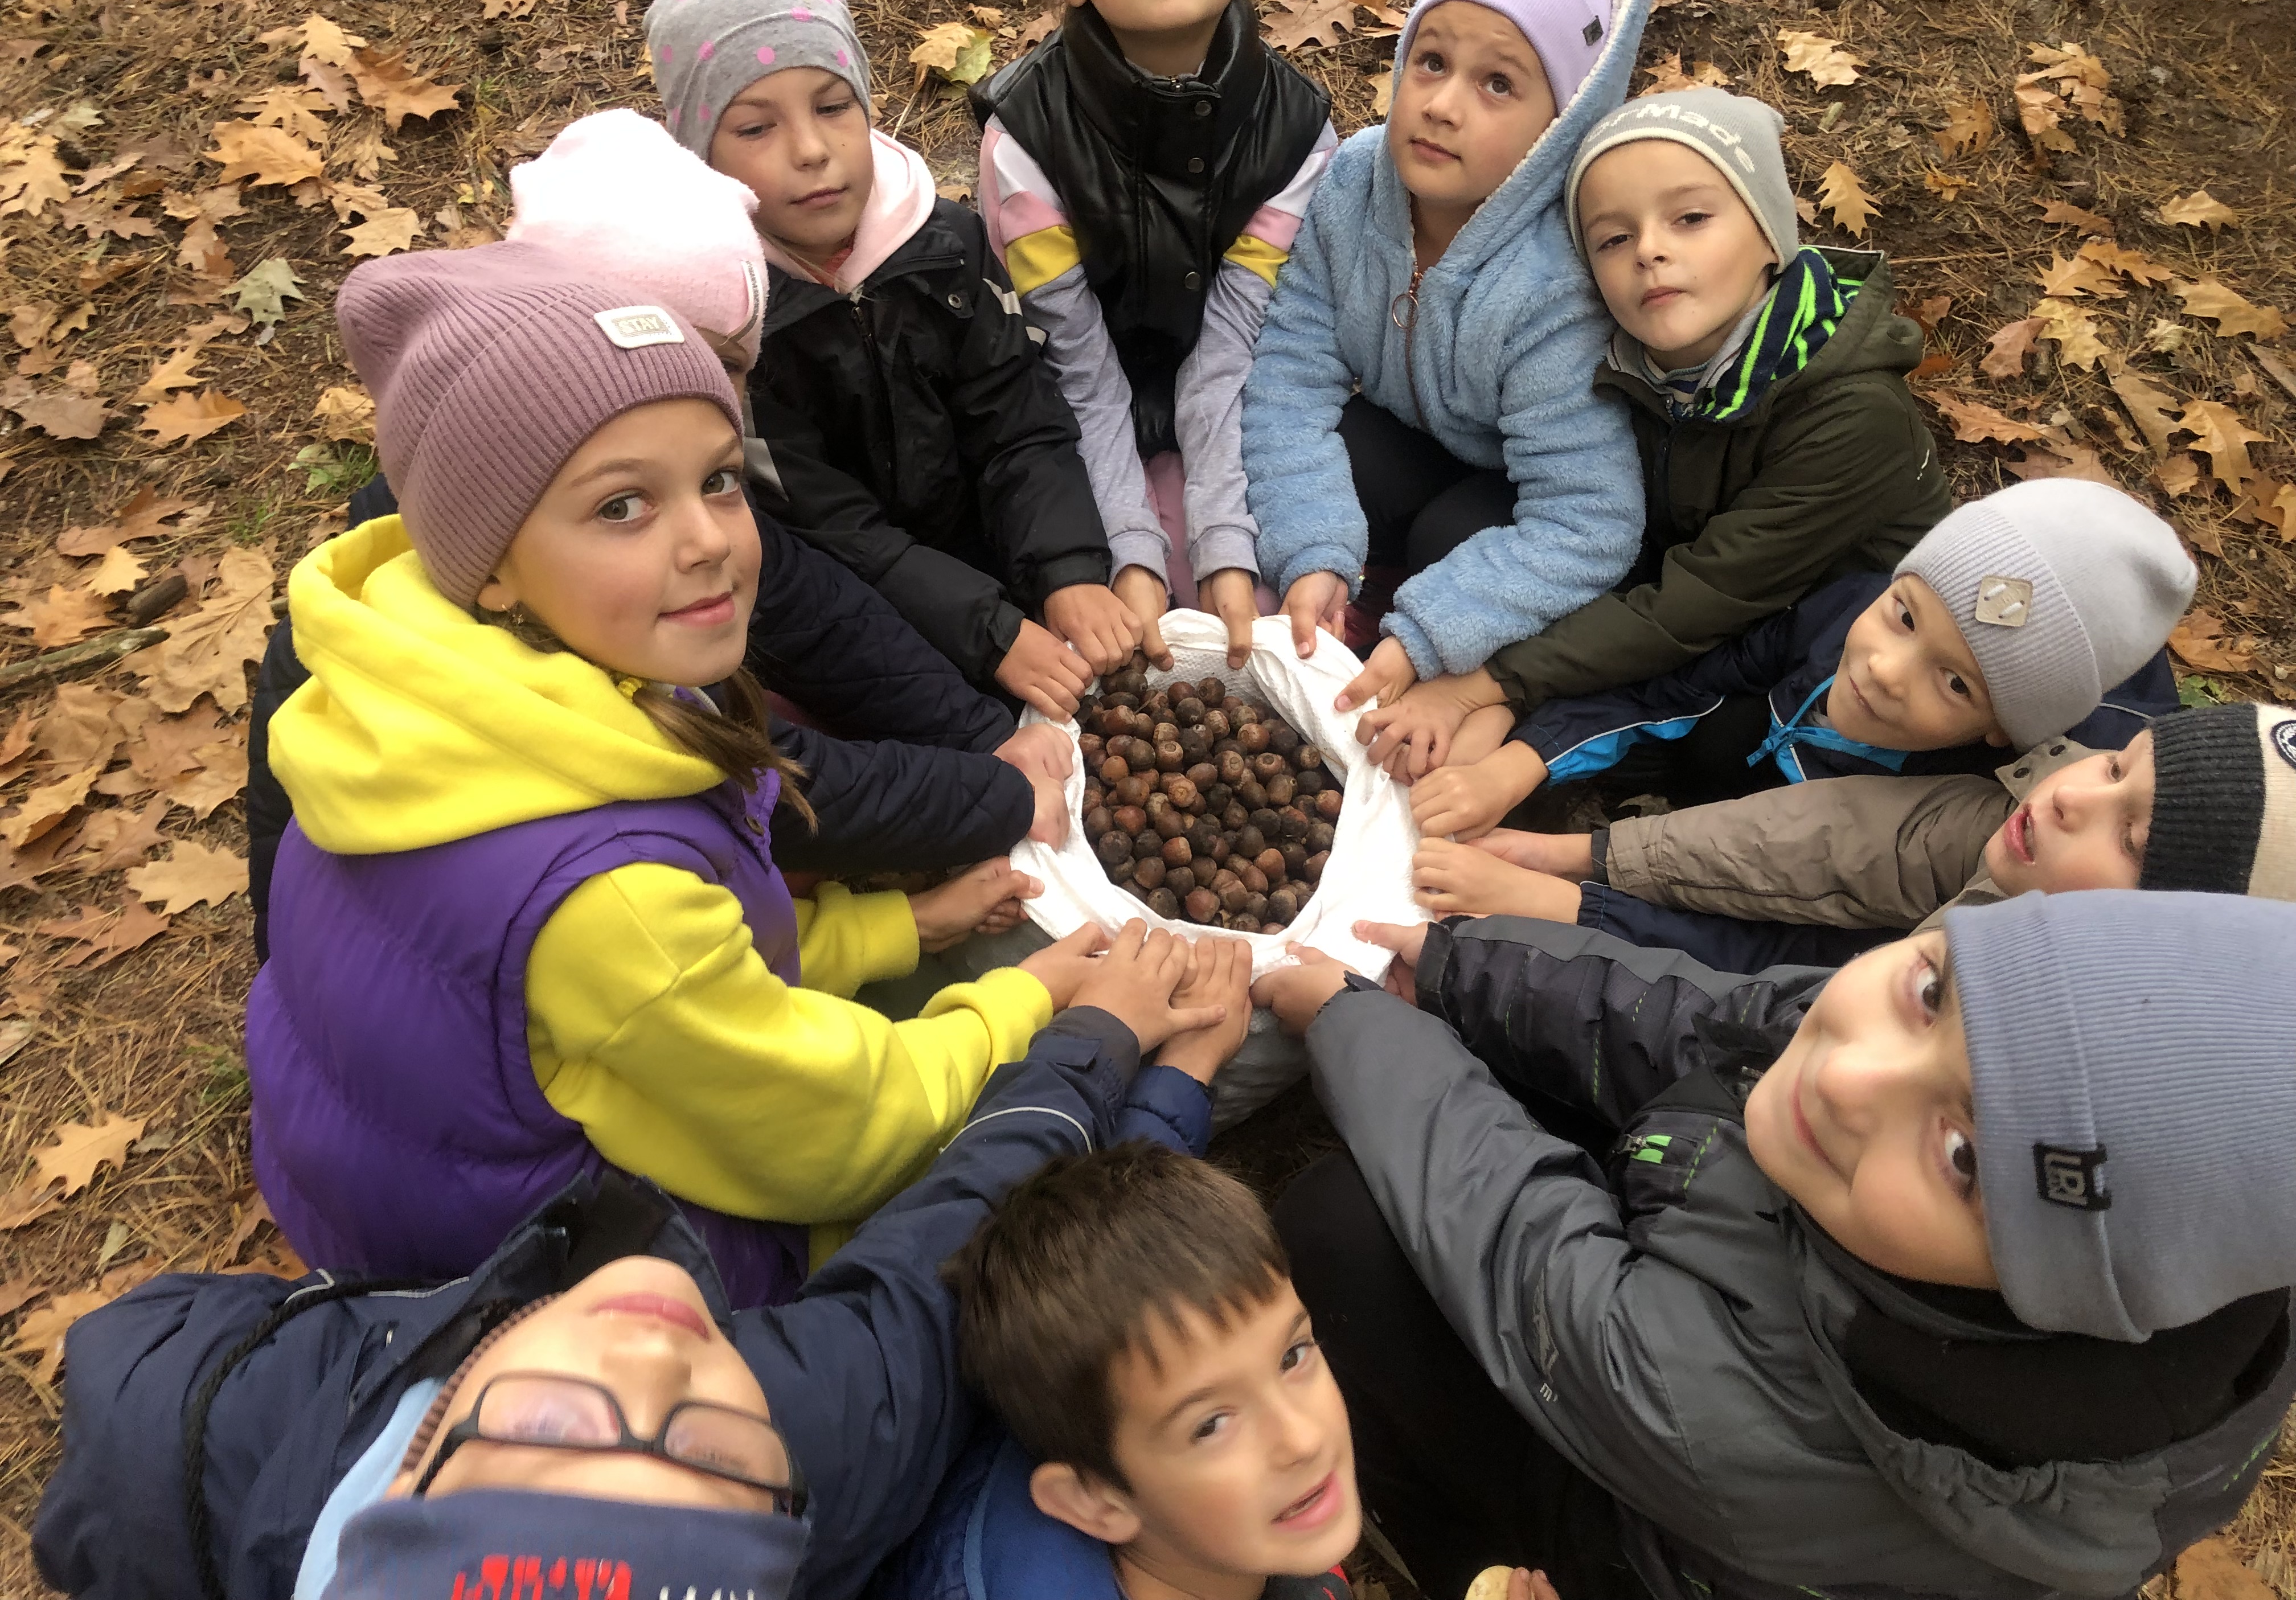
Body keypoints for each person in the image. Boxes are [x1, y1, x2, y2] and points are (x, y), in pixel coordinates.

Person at [247, 243, 1184, 1306]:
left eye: (720, 480)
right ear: (491, 561)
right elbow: (843, 1130)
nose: (707, 541)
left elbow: (683, 971)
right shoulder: (608, 896)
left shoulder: (465, 683)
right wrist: (1034, 1001)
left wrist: (902, 926)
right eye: (621, 506)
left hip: (391, 1158)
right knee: (1040, 1213)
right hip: (532, 1278)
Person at [36, 934, 1244, 1600]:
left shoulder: (166, 1426)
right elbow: (954, 1242)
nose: (653, 1362)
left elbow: (129, 1346)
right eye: (717, 1457)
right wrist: (1114, 1056)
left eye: (549, 1427)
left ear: (411, 1465)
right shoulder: (833, 1428)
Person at [1253, 893, 2296, 1600]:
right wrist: (1457, 971)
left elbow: (1521, 1255)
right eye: (1932, 993)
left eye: (1962, 1155)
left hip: (1671, 1515)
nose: (1848, 1076)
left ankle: (1456, 1548)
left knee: (1343, 1229)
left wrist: (1355, 1026)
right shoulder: (1966, 1072)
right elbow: (1710, 1022)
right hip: (1710, 1290)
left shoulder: (1762, 1417)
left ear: (2057, 1293)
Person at [241, 109, 1075, 962]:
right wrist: (993, 796)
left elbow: (819, 611)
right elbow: (749, 778)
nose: (709, 402)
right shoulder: (519, 687)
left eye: (734, 368)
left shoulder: (641, 512)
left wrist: (980, 736)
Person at [1360, 88, 1949, 780]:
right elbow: (1601, 527)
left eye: (1691, 218)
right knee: (1462, 527)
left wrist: (1489, 686)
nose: (1650, 251)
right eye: (1613, 239)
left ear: (1770, 234)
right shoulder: (1627, 357)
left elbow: (1696, 604)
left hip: (1809, 633)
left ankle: (1553, 740)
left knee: (1725, 745)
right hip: (1667, 573)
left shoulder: (1854, 415)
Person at [648, 0, 1144, 719]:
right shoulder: (725, 324)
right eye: (755, 128)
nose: (812, 150)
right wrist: (989, 632)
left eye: (832, 107)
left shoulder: (947, 246)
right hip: (842, 602)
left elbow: (1019, 425)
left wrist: (1067, 571)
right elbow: (828, 528)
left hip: (977, 551)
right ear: (700, 154)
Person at [1239, 0, 1653, 715]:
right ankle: (1352, 589)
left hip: (1525, 486)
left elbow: (1589, 519)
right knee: (1351, 450)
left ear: (1561, 126)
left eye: (1498, 84)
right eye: (1431, 63)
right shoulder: (1356, 182)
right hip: (1418, 438)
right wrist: (1313, 549)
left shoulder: (1551, 282)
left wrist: (1433, 629)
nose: (1442, 105)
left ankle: (1448, 652)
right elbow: (1290, 371)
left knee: (1450, 540)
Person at [970, 0, 1337, 671]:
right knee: (1091, 614)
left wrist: (1224, 543)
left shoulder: (1299, 131)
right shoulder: (1025, 142)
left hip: (1236, 404)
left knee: (1262, 602)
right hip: (1069, 418)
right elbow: (1075, 365)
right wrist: (1129, 550)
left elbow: (1235, 347)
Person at [1409, 477, 2193, 840]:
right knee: (1723, 732)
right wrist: (1520, 764)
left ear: (2002, 732)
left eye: (1955, 683)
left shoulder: (1963, 814)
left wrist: (1584, 878)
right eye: (1904, 617)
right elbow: (1678, 687)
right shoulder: (1841, 614)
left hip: (1834, 842)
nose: (1887, 669)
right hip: (1768, 768)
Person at [1416, 699, 2296, 969]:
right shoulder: (2030, 825)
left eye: (2132, 837)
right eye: (2114, 768)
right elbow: (1835, 841)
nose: (2073, 798)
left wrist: (1575, 914)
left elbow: (1777, 1022)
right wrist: (1587, 859)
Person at [878, 1144, 1358, 1600]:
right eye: (1211, 1426)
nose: (1304, 1439)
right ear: (1096, 1503)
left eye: (1292, 1356)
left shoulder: (1243, 1530)